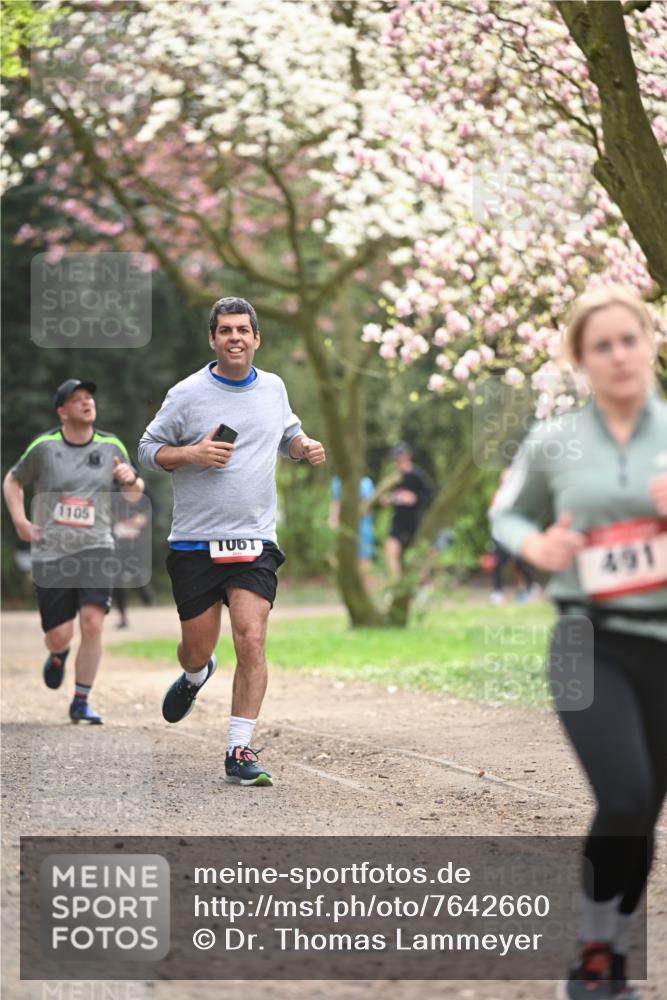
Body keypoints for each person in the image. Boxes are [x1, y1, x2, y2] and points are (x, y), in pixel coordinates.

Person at [490, 286, 667, 1000]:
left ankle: (607, 954)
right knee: (624, 796)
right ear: (580, 360)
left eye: (629, 339)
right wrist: (536, 543)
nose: (618, 355)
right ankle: (593, 954)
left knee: (643, 810)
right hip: (584, 640)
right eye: (601, 346)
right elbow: (506, 514)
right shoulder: (553, 439)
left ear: (650, 343)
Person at [138, 296, 325, 787]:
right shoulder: (186, 394)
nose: (235, 337)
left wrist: (303, 446)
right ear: (212, 339)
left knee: (252, 638)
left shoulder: (274, 388)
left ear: (256, 338)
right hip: (195, 543)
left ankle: (238, 749)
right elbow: (147, 450)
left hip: (254, 540)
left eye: (243, 329)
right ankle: (196, 675)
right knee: (195, 650)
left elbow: (287, 434)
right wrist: (191, 453)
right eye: (225, 330)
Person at [3, 379, 144, 723]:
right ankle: (58, 653)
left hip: (97, 546)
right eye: (77, 399)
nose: (86, 403)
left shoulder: (111, 446)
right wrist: (20, 521)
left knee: (93, 622)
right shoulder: (43, 447)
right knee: (59, 635)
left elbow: (134, 495)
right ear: (62, 412)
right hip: (52, 551)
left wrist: (129, 479)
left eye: (89, 398)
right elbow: (13, 479)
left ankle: (81, 700)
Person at [383, 442, 434, 580]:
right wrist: (388, 499)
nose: (399, 460)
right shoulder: (392, 477)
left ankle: (424, 582)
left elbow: (429, 494)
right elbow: (385, 496)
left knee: (422, 551)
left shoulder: (417, 475)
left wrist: (415, 497)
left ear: (408, 455)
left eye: (401, 456)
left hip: (415, 518)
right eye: (396, 457)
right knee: (390, 548)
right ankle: (396, 583)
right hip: (398, 518)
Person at [488, 470, 539, 604]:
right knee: (497, 565)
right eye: (504, 478)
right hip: (498, 536)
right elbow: (492, 515)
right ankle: (497, 592)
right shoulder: (497, 496)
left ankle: (531, 586)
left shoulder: (518, 496)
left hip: (513, 537)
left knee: (519, 564)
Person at [329, 474, 376, 589]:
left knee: (364, 556)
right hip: (344, 525)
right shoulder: (338, 482)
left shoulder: (366, 483)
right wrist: (333, 518)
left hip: (364, 525)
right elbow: (336, 502)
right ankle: (347, 585)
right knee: (344, 555)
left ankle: (363, 586)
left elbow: (370, 506)